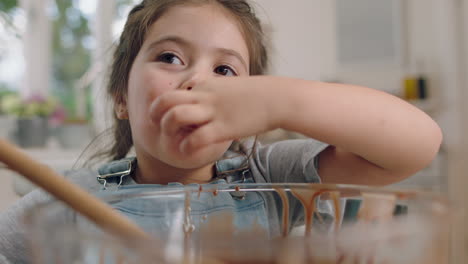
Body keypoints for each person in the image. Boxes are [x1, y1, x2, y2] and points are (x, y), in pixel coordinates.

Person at [0, 0, 442, 263]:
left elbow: (417, 144)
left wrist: (278, 103)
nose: (198, 81)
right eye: (170, 58)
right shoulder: (62, 207)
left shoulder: (272, 174)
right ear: (120, 95)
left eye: (226, 70)